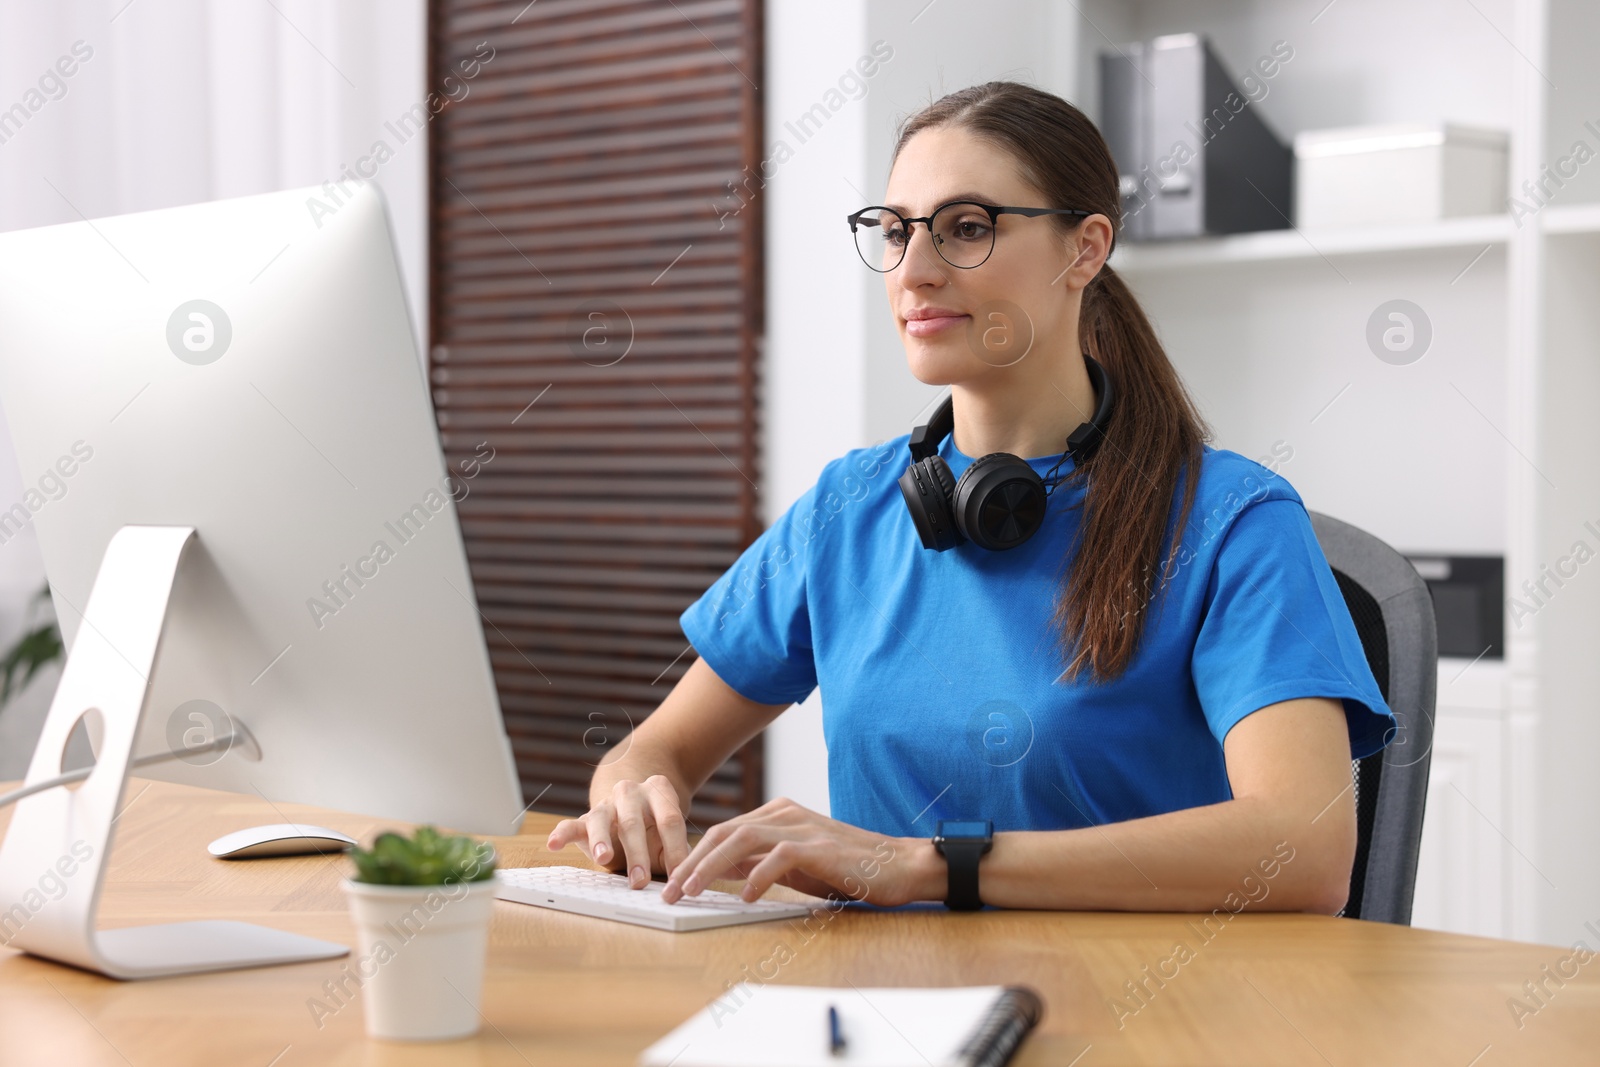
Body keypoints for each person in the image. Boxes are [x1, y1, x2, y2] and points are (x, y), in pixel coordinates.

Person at [547, 80, 1395, 914]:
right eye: (893, 231)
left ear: (1085, 249)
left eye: (966, 229)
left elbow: (1304, 849)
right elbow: (659, 748)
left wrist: (927, 864)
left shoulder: (1232, 522)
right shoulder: (851, 506)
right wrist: (630, 784)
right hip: (878, 1015)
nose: (913, 270)